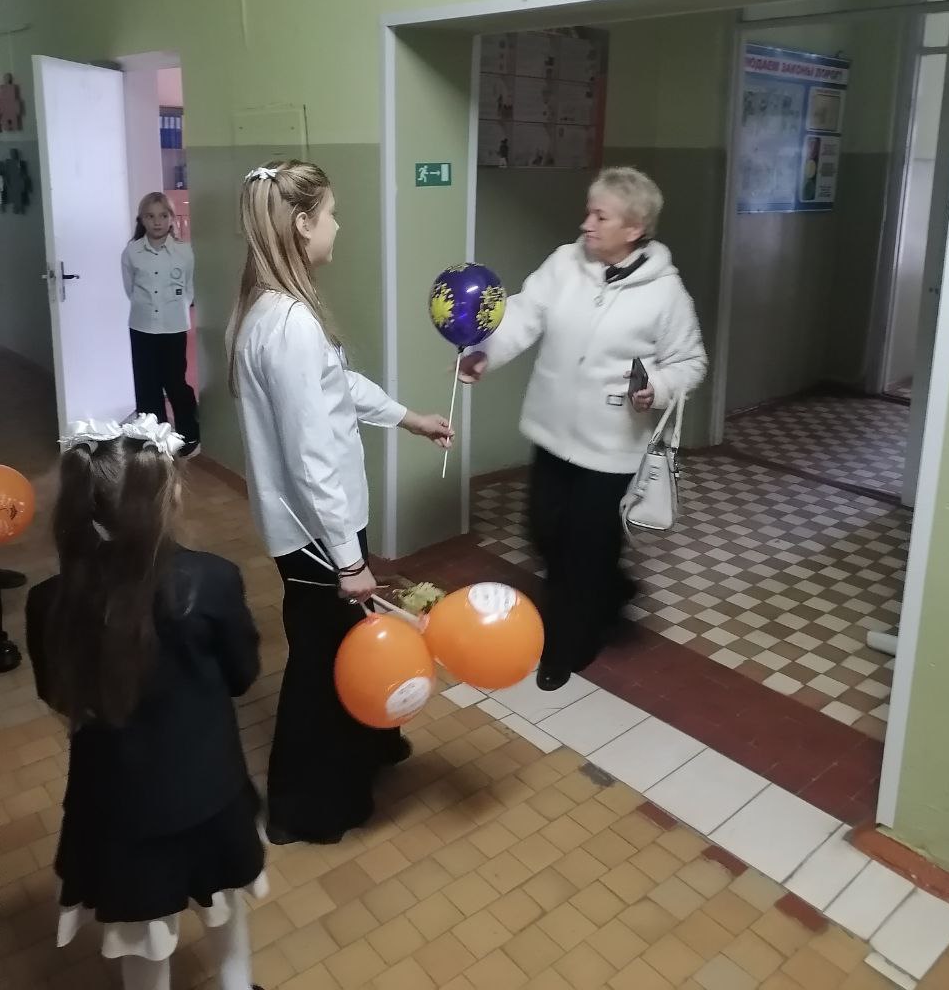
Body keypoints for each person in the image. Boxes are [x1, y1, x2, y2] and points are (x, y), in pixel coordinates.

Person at [228, 160, 452, 845]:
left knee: (349, 645)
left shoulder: (271, 310)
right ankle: (304, 808)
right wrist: (349, 560)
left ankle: (372, 746)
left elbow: (338, 389)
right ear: (302, 224)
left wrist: (408, 417)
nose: (338, 225)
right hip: (319, 535)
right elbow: (313, 457)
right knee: (321, 668)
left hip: (315, 530)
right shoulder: (290, 323)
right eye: (330, 213)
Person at [25, 415, 265, 990]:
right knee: (225, 905)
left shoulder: (49, 602)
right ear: (162, 501)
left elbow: (56, 694)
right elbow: (242, 675)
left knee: (142, 936)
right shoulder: (213, 580)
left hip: (115, 807)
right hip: (210, 790)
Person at [460, 167, 707, 690]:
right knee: (544, 533)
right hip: (553, 431)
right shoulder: (564, 263)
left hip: (612, 447)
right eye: (589, 212)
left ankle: (568, 647)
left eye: (601, 216)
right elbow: (523, 314)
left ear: (634, 229)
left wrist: (659, 387)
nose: (586, 224)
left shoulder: (665, 292)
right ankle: (610, 589)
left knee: (584, 550)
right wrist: (484, 352)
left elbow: (690, 362)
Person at [122, 192, 200, 458]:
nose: (157, 222)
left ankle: (188, 434)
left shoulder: (184, 252)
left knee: (176, 383)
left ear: (171, 219)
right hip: (142, 327)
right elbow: (131, 289)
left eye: (163, 215)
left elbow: (189, 289)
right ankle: (153, 438)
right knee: (147, 385)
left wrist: (174, 310)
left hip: (174, 328)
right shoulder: (132, 252)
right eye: (150, 216)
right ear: (142, 220)